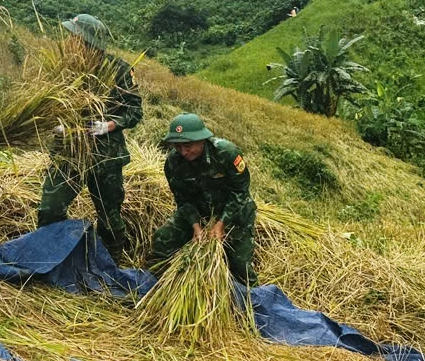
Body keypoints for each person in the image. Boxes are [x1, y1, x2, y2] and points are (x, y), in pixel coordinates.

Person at [36, 14, 142, 258]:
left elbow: (135, 111)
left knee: (109, 216)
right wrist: (57, 123)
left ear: (87, 42)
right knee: (50, 208)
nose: (69, 42)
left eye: (74, 37)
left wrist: (109, 126)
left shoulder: (119, 70)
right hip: (69, 151)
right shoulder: (64, 67)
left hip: (105, 154)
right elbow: (49, 103)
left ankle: (111, 262)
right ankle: (52, 257)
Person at [150, 112, 258, 286]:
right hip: (200, 212)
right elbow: (183, 199)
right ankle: (160, 284)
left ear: (202, 140)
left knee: (240, 267)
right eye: (177, 146)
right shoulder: (173, 162)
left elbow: (240, 192)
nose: (183, 151)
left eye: (188, 145)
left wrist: (221, 223)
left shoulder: (226, 153)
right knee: (162, 238)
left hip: (234, 212)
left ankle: (251, 297)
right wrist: (195, 225)